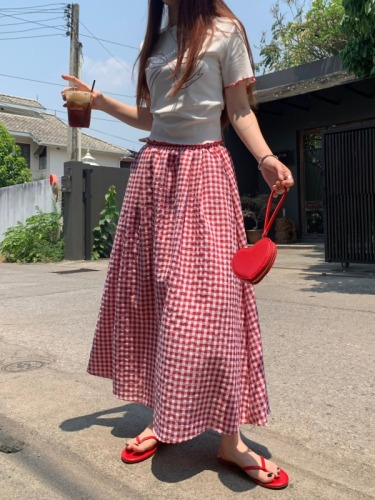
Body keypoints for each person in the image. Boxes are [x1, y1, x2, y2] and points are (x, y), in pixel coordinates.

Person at [62, 0, 294, 490]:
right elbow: (154, 119)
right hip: (153, 176)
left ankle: (230, 439)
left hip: (205, 174)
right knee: (156, 300)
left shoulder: (226, 31)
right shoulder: (160, 38)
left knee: (215, 307)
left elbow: (239, 110)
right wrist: (100, 103)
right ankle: (163, 417)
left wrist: (267, 158)